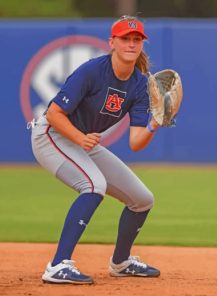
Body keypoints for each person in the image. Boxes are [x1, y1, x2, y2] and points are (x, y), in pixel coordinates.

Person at [31, 15, 161, 284]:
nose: (131, 43)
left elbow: (135, 143)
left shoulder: (139, 84)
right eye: (125, 38)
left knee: (142, 199)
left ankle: (121, 262)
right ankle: (57, 265)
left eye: (136, 39)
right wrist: (79, 138)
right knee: (93, 185)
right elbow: (54, 113)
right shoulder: (92, 71)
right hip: (51, 134)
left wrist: (155, 123)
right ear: (112, 42)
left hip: (82, 141)